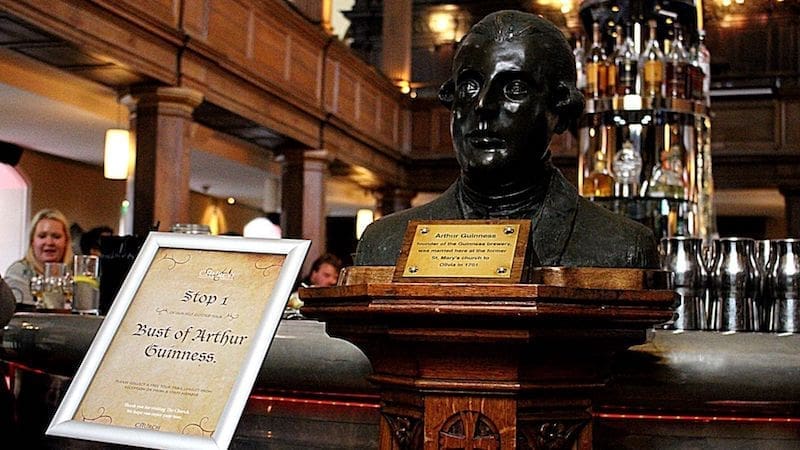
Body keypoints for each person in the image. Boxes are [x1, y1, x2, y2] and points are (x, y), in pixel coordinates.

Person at [355, 10, 659, 270]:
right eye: (470, 87)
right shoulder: (384, 244)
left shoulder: (624, 248)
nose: (483, 105)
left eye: (514, 89)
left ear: (561, 112)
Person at [4, 208, 74, 307]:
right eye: (42, 236)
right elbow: (23, 314)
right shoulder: (19, 271)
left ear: (66, 241)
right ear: (32, 241)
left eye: (56, 236)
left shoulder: (75, 273)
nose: (49, 242)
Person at [285, 253, 343, 318]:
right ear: (314, 274)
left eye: (336, 277)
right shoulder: (292, 292)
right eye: (326, 275)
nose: (333, 281)